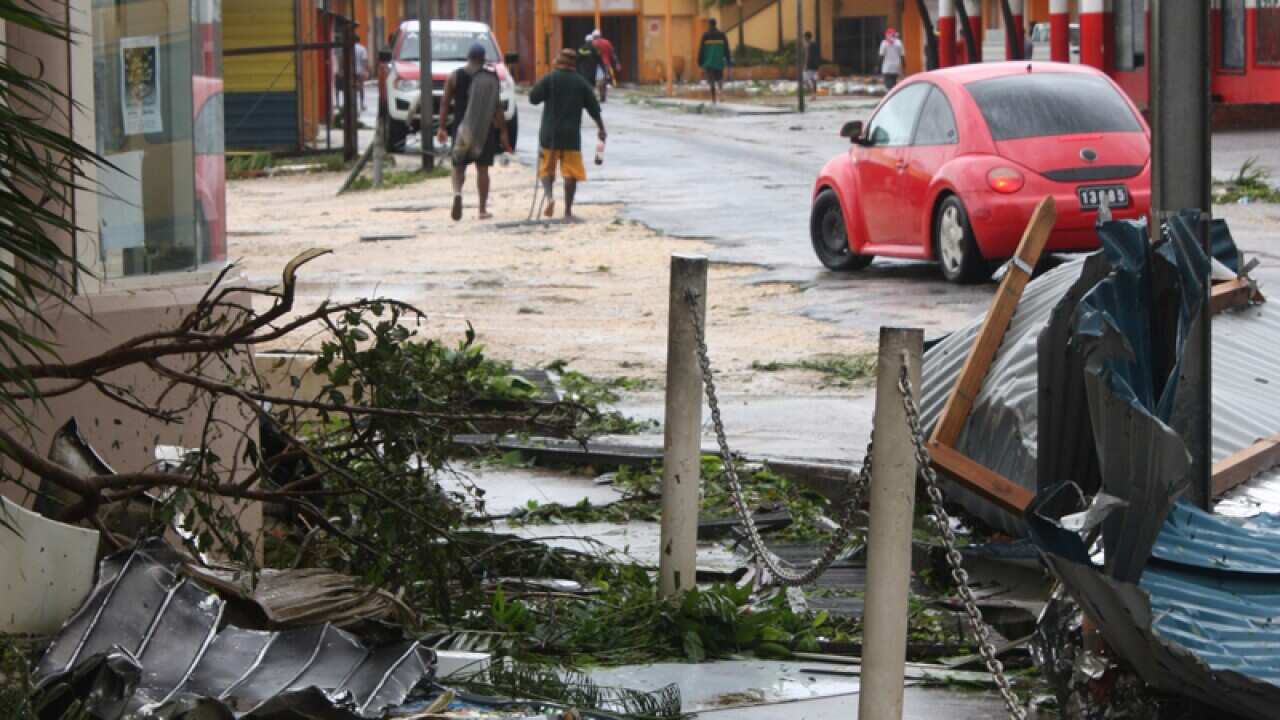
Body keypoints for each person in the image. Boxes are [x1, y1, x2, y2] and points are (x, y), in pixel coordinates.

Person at [529, 48, 606, 220]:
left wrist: (544, 82)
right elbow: (594, 108)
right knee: (570, 173)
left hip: (550, 135)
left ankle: (549, 197)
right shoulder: (581, 82)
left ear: (558, 62)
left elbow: (533, 98)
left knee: (546, 169)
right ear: (574, 64)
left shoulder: (550, 79)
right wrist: (601, 128)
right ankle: (568, 211)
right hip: (571, 136)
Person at [437, 43, 510, 221]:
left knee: (458, 167)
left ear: (468, 57)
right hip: (485, 130)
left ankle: (457, 193)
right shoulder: (490, 78)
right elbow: (497, 107)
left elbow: (445, 103)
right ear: (483, 58)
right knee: (483, 170)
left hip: (462, 129)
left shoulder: (455, 76)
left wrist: (441, 127)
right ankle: (482, 209)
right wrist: (502, 131)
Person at [698, 19, 732, 104]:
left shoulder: (705, 35)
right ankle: (720, 92)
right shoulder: (722, 35)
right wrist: (728, 59)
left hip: (709, 62)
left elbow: (701, 49)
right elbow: (726, 48)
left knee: (711, 80)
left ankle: (713, 99)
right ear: (716, 24)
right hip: (718, 61)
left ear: (709, 24)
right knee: (719, 77)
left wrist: (700, 61)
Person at [592, 30, 620, 103]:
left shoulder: (593, 43)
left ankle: (599, 95)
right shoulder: (607, 42)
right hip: (606, 64)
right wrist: (617, 63)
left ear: (594, 36)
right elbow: (612, 53)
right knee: (604, 80)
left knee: (597, 80)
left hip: (596, 64)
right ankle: (603, 96)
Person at [803, 31, 820, 96]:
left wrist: (805, 65)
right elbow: (817, 55)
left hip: (809, 65)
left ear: (806, 37)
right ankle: (814, 94)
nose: (804, 39)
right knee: (813, 80)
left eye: (804, 37)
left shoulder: (808, 45)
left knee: (805, 80)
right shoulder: (815, 44)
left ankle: (812, 94)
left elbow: (807, 56)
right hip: (815, 65)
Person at [354, 34, 369, 110]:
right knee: (361, 88)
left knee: (353, 88)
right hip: (360, 71)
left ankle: (353, 104)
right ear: (359, 40)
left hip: (352, 71)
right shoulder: (362, 49)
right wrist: (366, 71)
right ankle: (362, 104)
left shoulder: (350, 48)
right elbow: (365, 61)